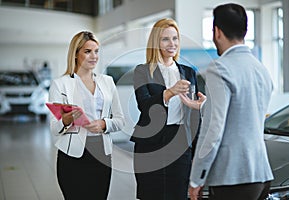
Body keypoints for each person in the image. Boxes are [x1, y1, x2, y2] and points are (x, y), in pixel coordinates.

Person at [180, 3, 274, 200]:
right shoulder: (260, 69)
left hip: (233, 176)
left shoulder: (220, 68)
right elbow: (244, 113)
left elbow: (213, 130)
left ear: (217, 32)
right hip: (261, 173)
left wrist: (196, 178)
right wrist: (206, 105)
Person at [48, 31, 125, 200]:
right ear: (76, 54)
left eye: (96, 51)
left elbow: (120, 120)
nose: (94, 56)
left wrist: (103, 124)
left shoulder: (107, 81)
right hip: (72, 156)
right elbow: (54, 128)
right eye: (87, 51)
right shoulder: (60, 84)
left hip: (101, 153)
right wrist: (67, 119)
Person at [130, 18, 199, 200]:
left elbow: (193, 115)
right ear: (155, 43)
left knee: (178, 194)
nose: (172, 44)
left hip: (180, 143)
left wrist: (199, 107)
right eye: (165, 39)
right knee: (151, 195)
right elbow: (144, 106)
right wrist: (169, 93)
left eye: (175, 38)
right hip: (150, 144)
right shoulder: (142, 71)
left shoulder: (188, 72)